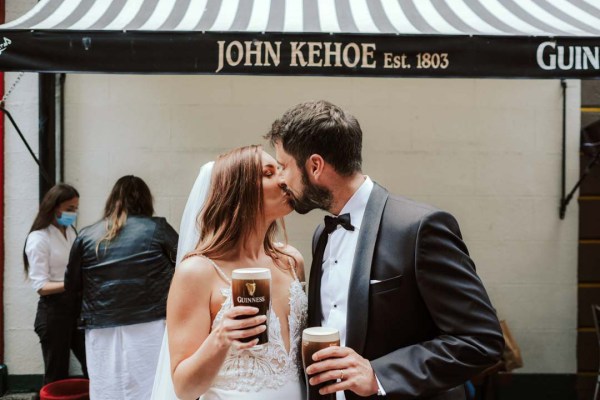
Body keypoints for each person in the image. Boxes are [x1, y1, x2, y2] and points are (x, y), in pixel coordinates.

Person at [265, 100, 505, 400]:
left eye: (285, 166)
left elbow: (481, 339)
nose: (282, 179)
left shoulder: (419, 228)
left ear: (315, 166)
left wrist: (380, 375)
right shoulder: (321, 235)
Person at [164, 145, 307, 400]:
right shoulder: (197, 272)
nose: (284, 180)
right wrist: (221, 337)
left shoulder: (291, 261)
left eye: (280, 170)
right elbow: (184, 389)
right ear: (238, 190)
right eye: (268, 173)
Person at [64, 175, 178, 400]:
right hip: (151, 323)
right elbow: (186, 267)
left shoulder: (87, 235)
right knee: (152, 386)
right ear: (146, 200)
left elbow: (72, 285)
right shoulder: (158, 228)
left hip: (101, 327)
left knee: (108, 388)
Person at [24, 183, 87, 384]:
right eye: (69, 209)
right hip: (54, 313)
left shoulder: (70, 233)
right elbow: (41, 287)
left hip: (76, 310)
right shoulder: (38, 238)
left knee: (92, 365)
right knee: (56, 376)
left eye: (76, 209)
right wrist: (72, 284)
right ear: (53, 207)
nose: (73, 213)